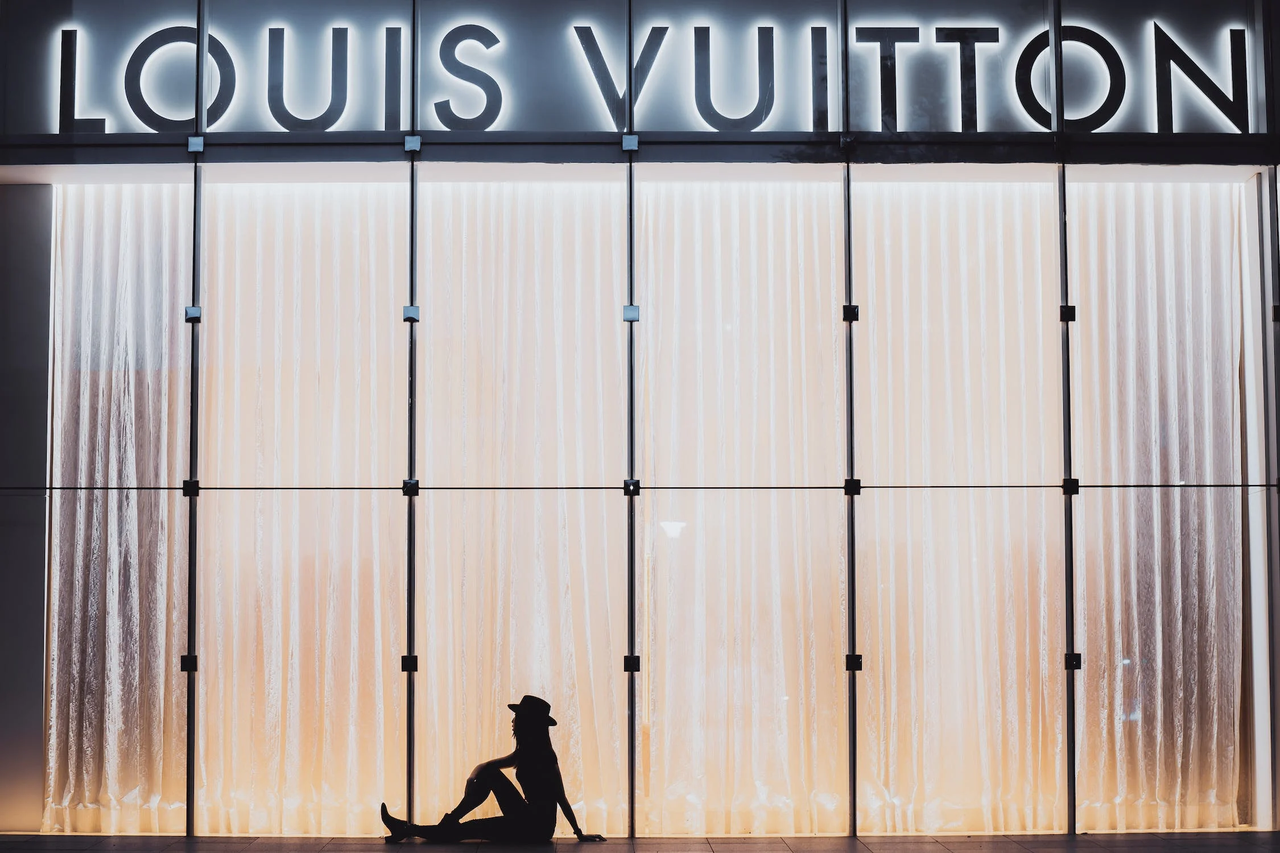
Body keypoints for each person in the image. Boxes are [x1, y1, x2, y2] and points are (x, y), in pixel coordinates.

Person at [381, 695, 607, 844]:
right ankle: (411, 828)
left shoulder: (545, 755)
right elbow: (491, 766)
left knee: (465, 829)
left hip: (536, 828)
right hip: (525, 819)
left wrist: (579, 833)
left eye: (517, 717)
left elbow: (561, 797)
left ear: (528, 722)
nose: (513, 721)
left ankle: (419, 827)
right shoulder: (525, 751)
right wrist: (475, 772)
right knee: (465, 827)